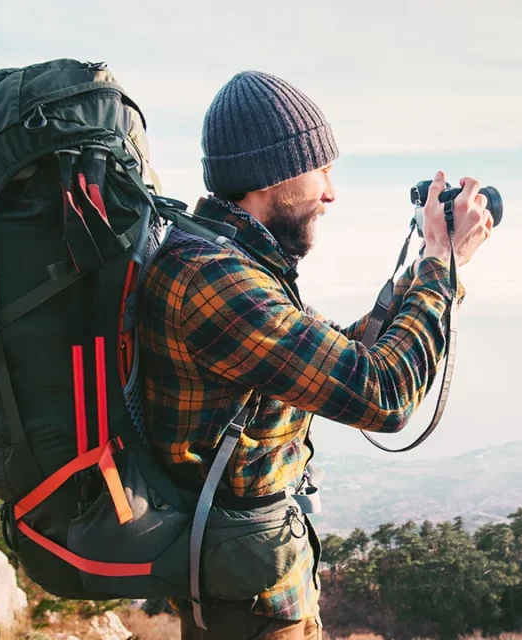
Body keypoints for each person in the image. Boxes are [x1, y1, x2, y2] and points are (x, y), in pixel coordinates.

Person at [137, 70, 494, 640]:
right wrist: (440, 267)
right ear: (271, 175)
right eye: (321, 170)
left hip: (257, 584)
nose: (331, 194)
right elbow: (385, 396)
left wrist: (422, 272)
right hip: (251, 607)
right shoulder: (216, 280)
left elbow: (342, 353)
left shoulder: (228, 260)